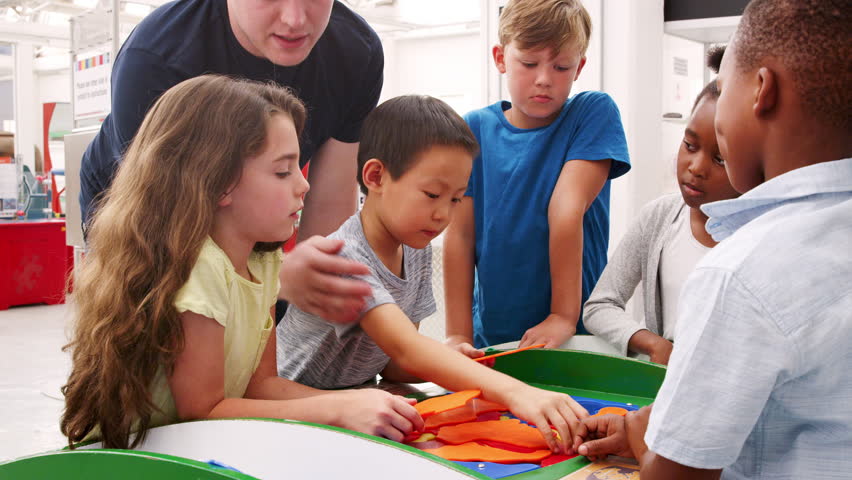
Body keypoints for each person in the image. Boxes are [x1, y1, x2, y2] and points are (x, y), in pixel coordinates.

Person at [60, 76, 423, 450]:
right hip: (134, 461)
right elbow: (202, 411)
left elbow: (260, 385)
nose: (304, 185)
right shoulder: (199, 269)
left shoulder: (262, 262)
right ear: (219, 182)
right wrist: (334, 409)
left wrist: (354, 400)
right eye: (283, 171)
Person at [576, 0, 851, 478]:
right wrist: (650, 424)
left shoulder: (741, 272)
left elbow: (677, 475)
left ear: (760, 91)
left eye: (722, 88)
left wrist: (653, 447)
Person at [277, 95, 589, 453]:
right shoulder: (346, 257)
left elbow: (393, 365)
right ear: (376, 176)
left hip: (357, 407)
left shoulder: (415, 247)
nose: (443, 215)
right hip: (295, 414)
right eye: (432, 194)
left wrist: (451, 361)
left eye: (456, 199)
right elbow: (406, 349)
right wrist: (517, 392)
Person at [79, 0, 383, 323]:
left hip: (253, 206)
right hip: (147, 207)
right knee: (162, 323)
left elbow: (328, 203)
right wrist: (277, 281)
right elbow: (172, 233)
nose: (294, 19)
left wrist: (309, 281)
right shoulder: (156, 59)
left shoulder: (356, 54)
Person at [443, 0, 630, 351]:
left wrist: (561, 316)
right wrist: (457, 335)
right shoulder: (474, 129)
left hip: (575, 337)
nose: (544, 79)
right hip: (493, 340)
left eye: (561, 67)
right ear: (500, 58)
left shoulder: (592, 113)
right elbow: (461, 235)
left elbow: (565, 208)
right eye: (529, 63)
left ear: (579, 68)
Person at [583, 51, 739, 365]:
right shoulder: (660, 217)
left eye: (719, 159)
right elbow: (599, 306)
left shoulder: (759, 237)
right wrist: (653, 345)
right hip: (663, 393)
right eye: (690, 145)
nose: (695, 167)